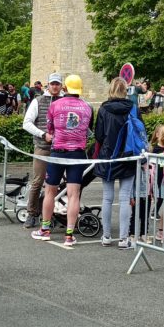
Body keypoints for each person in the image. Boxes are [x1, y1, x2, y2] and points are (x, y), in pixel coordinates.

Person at [31, 74, 93, 247]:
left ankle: (45, 230)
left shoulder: (55, 104)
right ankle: (69, 235)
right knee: (74, 194)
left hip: (58, 151)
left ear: (65, 88)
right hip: (77, 153)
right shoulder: (87, 107)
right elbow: (88, 130)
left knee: (50, 191)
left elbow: (49, 128)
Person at [93, 77, 140, 249]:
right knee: (125, 197)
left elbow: (99, 135)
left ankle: (106, 236)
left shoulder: (104, 109)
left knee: (107, 198)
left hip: (109, 156)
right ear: (125, 90)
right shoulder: (132, 108)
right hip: (128, 156)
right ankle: (123, 238)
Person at [21, 72, 63, 230]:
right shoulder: (38, 101)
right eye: (52, 83)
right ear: (48, 84)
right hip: (43, 147)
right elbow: (27, 123)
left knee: (58, 185)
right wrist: (43, 134)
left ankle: (52, 213)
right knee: (38, 182)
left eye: (57, 84)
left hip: (61, 149)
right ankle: (32, 214)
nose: (54, 86)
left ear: (61, 85)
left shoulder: (65, 100)